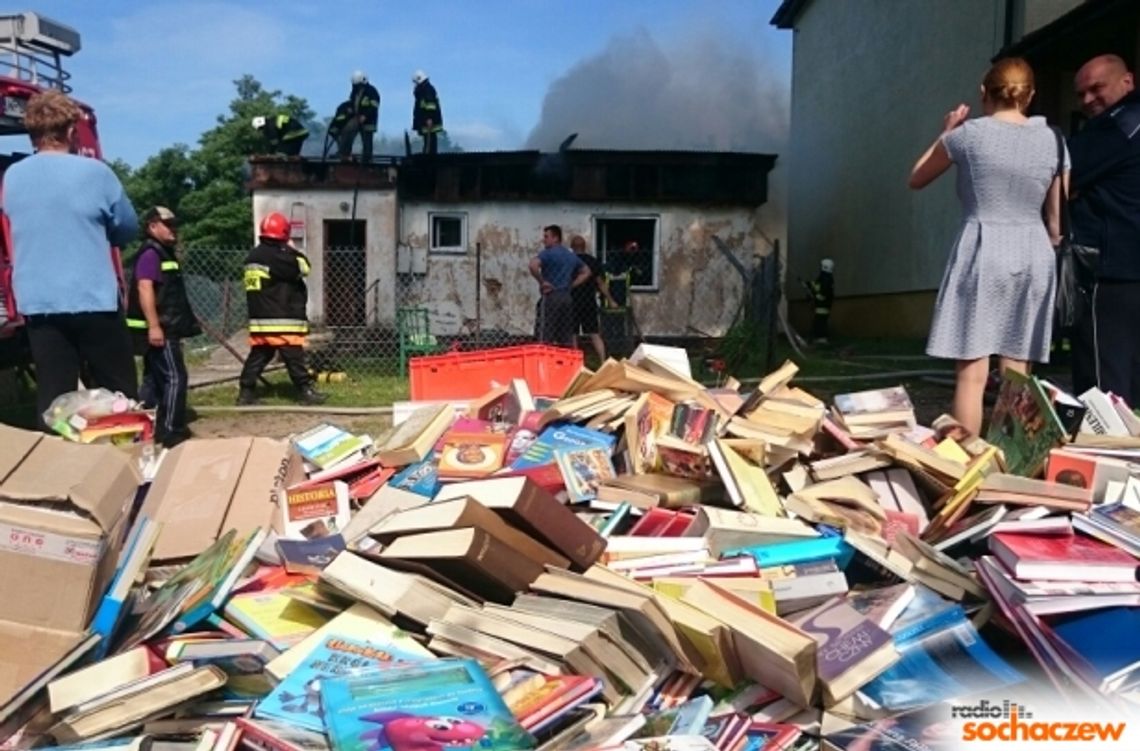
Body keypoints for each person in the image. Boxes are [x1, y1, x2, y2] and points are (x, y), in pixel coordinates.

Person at [909, 57, 1065, 435]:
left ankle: (967, 460)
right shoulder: (1054, 140)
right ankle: (1012, 458)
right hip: (1034, 251)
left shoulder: (968, 135)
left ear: (985, 93)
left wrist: (946, 132)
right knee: (1017, 373)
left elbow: (917, 178)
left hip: (983, 247)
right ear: (1030, 95)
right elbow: (1056, 219)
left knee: (971, 373)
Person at [3, 89, 139, 426]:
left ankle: (56, 454)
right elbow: (127, 227)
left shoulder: (13, 177)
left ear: (32, 134)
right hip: (93, 298)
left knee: (54, 397)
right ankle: (124, 448)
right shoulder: (96, 173)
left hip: (39, 303)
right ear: (71, 131)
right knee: (119, 393)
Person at [1068, 54, 1140, 406]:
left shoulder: (1117, 126)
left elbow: (1061, 174)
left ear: (1128, 81)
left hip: (1112, 269)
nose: (1087, 100)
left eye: (1097, 88)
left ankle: (1108, 441)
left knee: (1104, 388)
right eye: (1081, 93)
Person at [125, 207, 200, 447]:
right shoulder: (151, 254)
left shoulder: (163, 253)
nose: (173, 229)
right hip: (162, 329)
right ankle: (171, 431)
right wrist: (154, 326)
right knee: (175, 377)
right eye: (167, 224)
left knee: (153, 381)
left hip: (166, 327)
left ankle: (143, 428)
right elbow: (144, 288)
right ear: (152, 226)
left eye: (174, 224)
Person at [237, 211, 327, 406]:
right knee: (294, 356)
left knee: (260, 355)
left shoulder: (253, 256)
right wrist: (292, 249)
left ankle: (246, 392)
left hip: (260, 318)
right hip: (282, 317)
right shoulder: (279, 256)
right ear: (284, 234)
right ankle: (305, 391)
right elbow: (304, 267)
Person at [528, 225, 590, 347]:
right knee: (565, 334)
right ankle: (565, 356)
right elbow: (586, 271)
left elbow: (533, 265)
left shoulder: (547, 253)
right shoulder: (570, 255)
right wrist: (572, 285)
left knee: (545, 333)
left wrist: (542, 281)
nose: (544, 240)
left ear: (555, 238)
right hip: (566, 297)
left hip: (551, 296)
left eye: (546, 237)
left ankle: (545, 355)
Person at [568, 234, 608, 361]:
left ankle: (576, 362)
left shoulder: (569, 261)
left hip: (572, 300)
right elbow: (600, 283)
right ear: (584, 247)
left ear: (572, 247)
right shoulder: (593, 261)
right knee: (594, 333)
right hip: (589, 301)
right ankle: (603, 360)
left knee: (572, 333)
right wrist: (610, 299)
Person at [337, 70, 380, 162]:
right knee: (347, 131)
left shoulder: (372, 91)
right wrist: (349, 110)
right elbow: (352, 102)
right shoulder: (355, 91)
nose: (357, 86)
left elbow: (374, 106)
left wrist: (365, 116)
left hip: (369, 121)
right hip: (356, 117)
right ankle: (345, 153)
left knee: (367, 141)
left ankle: (367, 160)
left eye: (358, 85)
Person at [411, 70, 443, 155]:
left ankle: (430, 156)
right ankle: (428, 154)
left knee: (430, 141)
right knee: (428, 141)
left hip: (429, 121)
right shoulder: (424, 89)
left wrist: (429, 118)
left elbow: (430, 105)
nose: (415, 85)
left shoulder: (427, 89)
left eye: (415, 82)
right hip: (426, 120)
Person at [809, 258, 835, 344]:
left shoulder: (826, 279)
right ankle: (820, 338)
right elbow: (816, 285)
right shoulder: (826, 278)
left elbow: (822, 293)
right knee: (820, 320)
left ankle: (821, 338)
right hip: (823, 305)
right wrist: (808, 284)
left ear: (824, 267)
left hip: (822, 306)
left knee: (820, 321)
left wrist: (815, 296)